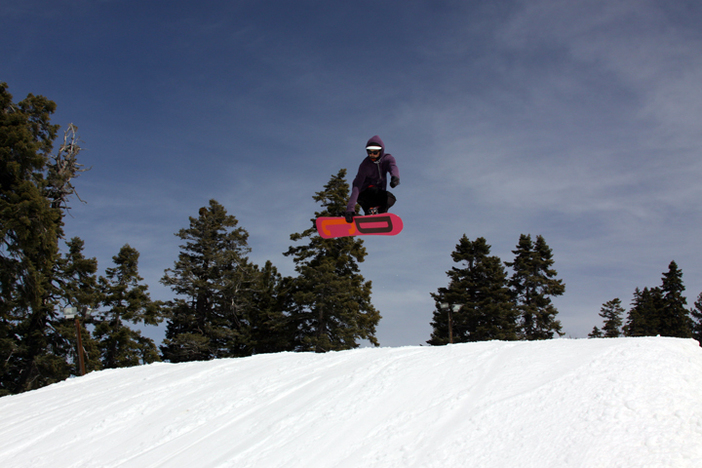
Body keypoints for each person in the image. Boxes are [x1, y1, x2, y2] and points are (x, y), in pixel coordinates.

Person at [344, 135, 400, 223]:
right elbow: (357, 186)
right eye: (369, 152)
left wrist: (395, 177)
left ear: (381, 151)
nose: (372, 155)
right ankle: (369, 212)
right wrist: (350, 208)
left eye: (375, 152)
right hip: (364, 194)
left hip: (377, 196)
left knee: (390, 199)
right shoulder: (365, 165)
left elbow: (392, 166)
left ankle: (373, 213)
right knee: (379, 194)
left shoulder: (387, 159)